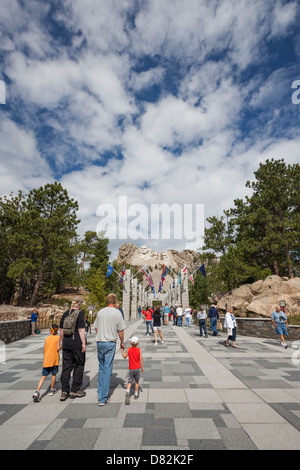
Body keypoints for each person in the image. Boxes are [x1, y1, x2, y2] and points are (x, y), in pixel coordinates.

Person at [94, 293, 126, 406]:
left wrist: (100, 337)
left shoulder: (101, 312)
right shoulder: (117, 313)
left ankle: (100, 391)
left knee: (101, 367)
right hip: (110, 343)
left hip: (100, 342)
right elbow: (120, 330)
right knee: (107, 369)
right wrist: (122, 342)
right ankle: (102, 398)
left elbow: (96, 328)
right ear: (115, 301)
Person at [59, 298, 86, 401]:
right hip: (76, 343)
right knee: (79, 364)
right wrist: (83, 343)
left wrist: (62, 342)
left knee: (66, 366)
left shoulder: (65, 314)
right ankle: (75, 389)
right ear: (78, 304)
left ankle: (64, 391)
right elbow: (80, 329)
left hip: (66, 344)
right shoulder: (79, 314)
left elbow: (61, 331)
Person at [33, 324, 61, 402]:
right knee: (54, 374)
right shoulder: (58, 338)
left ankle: (37, 391)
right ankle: (51, 389)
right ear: (57, 330)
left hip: (46, 360)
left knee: (43, 376)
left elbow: (44, 350)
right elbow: (58, 348)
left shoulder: (47, 339)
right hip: (54, 360)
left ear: (51, 331)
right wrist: (62, 346)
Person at [121, 336, 144, 405]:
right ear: (138, 343)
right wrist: (142, 367)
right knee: (137, 382)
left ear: (131, 343)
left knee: (129, 382)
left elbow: (125, 357)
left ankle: (128, 392)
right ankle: (136, 393)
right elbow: (141, 359)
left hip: (131, 368)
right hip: (137, 368)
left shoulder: (129, 349)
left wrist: (122, 350)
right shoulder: (139, 350)